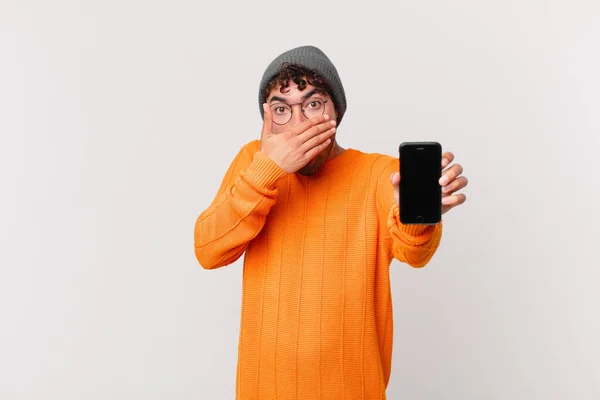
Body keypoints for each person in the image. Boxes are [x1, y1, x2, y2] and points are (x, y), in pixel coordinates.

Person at [194, 45, 468, 400]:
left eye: (312, 103)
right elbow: (208, 251)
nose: (299, 124)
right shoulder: (254, 161)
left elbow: (414, 254)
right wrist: (267, 169)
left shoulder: (378, 175)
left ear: (336, 109)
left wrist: (417, 217)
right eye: (281, 109)